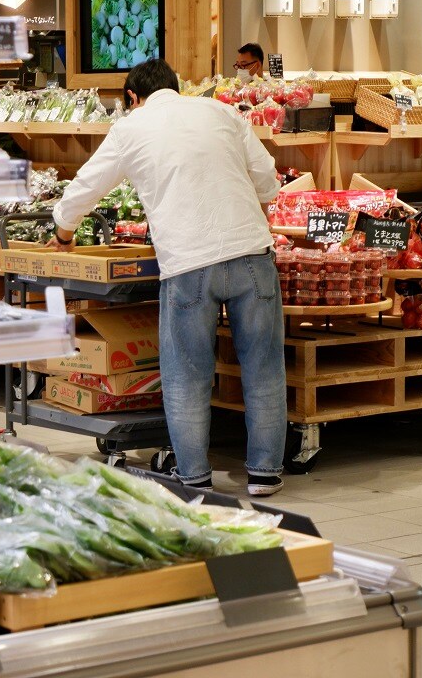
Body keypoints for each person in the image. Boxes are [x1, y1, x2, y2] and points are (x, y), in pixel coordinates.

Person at [47, 59, 287, 497]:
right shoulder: (220, 111)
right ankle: (265, 474)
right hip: (252, 254)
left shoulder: (130, 128)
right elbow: (268, 179)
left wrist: (63, 233)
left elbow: (85, 186)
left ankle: (193, 476)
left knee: (186, 373)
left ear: (133, 98)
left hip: (188, 265)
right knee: (264, 366)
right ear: (175, 87)